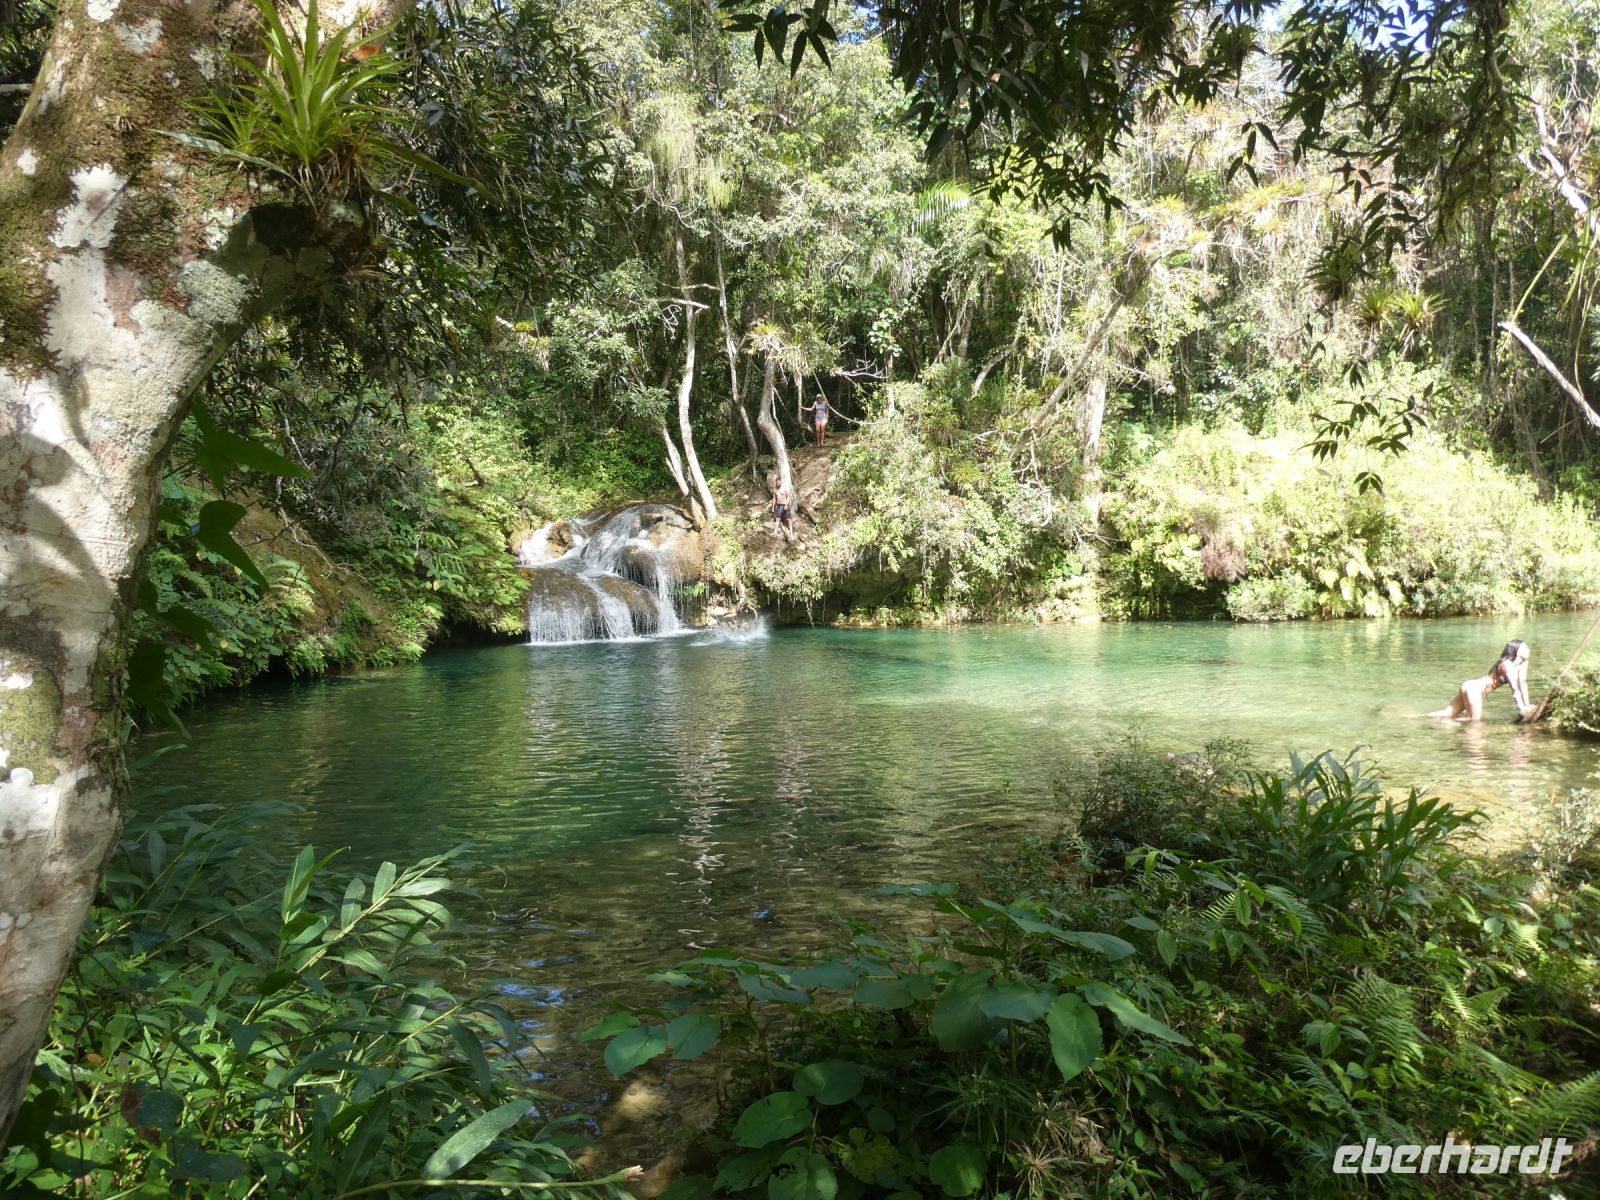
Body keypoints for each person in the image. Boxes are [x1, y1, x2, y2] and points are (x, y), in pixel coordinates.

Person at [1428, 640, 1533, 721]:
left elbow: (1523, 684)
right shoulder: (1507, 665)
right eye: (1525, 648)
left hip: (1470, 686)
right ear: (1515, 650)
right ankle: (1450, 723)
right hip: (1474, 688)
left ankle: (1423, 717)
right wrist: (1522, 708)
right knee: (1474, 721)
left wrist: (1527, 705)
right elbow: (1515, 689)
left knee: (1449, 713)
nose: (1529, 650)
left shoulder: (1523, 663)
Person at [770, 477, 796, 542]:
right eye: (776, 482)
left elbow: (788, 497)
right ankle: (775, 532)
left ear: (781, 482)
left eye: (778, 482)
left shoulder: (785, 488)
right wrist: (773, 507)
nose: (777, 483)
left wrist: (786, 505)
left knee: (789, 519)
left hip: (785, 505)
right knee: (777, 519)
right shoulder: (775, 490)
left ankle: (791, 533)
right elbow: (774, 498)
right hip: (778, 506)